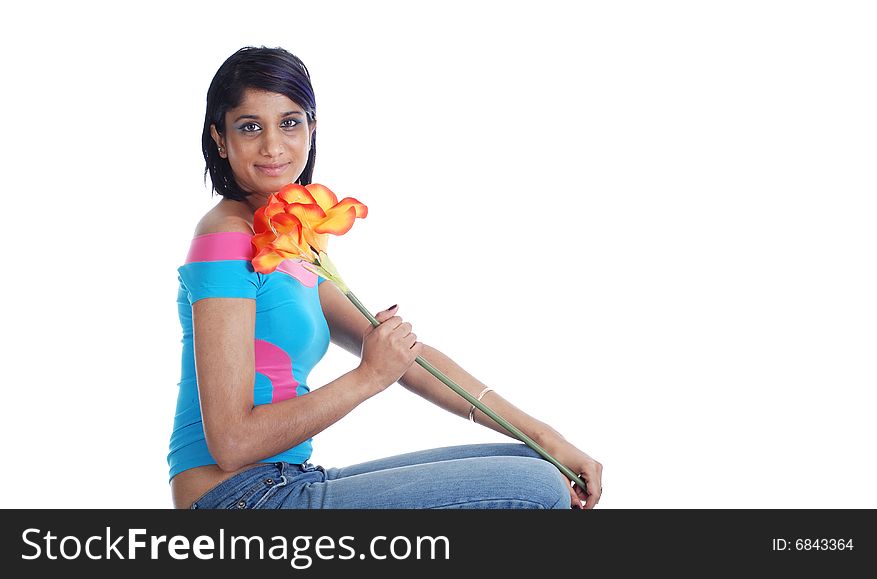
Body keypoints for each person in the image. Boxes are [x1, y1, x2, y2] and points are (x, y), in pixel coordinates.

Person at [168, 46, 603, 510]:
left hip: (285, 479)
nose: (273, 146)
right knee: (536, 492)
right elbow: (231, 443)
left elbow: (409, 360)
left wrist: (547, 437)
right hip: (238, 501)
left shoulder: (289, 240)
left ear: (312, 128)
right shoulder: (225, 237)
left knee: (540, 465)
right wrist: (367, 376)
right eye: (250, 127)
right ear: (219, 138)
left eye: (289, 123)